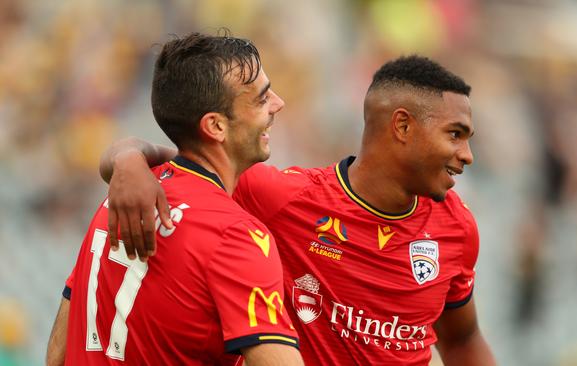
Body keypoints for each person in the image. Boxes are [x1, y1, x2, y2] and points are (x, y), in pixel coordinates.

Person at [100, 55, 496, 365]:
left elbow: (463, 340)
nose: (468, 156)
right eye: (455, 135)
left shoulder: (456, 227)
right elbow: (183, 161)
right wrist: (128, 160)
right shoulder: (282, 197)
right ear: (403, 127)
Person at [46, 32, 303, 366]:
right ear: (216, 126)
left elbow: (58, 351)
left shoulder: (118, 201)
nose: (277, 103)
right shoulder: (235, 236)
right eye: (261, 98)